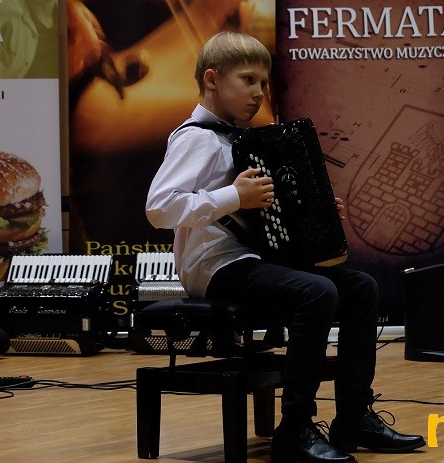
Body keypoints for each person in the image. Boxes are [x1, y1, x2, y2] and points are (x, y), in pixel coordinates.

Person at [145, 31, 426, 463]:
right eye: (248, 80)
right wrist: (234, 197)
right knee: (317, 292)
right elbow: (160, 208)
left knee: (360, 288)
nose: (260, 92)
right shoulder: (196, 138)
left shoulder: (241, 140)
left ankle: (354, 417)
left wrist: (316, 213)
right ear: (212, 79)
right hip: (214, 268)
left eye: (264, 83)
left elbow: (269, 217)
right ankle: (294, 428)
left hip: (251, 260)